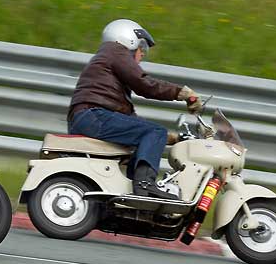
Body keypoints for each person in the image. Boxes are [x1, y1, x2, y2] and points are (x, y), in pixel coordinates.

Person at [67, 19, 202, 200]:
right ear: (127, 40)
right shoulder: (116, 52)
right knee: (155, 130)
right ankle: (144, 185)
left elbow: (128, 118)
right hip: (94, 115)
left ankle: (131, 190)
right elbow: (144, 85)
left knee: (152, 133)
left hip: (90, 116)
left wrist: (170, 138)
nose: (142, 54)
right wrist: (183, 93)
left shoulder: (107, 58)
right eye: (141, 48)